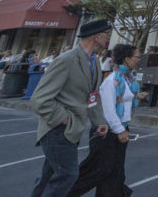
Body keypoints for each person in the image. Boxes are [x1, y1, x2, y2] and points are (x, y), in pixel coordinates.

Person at [30, 19, 110, 197]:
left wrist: (99, 121)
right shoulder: (66, 60)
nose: (108, 38)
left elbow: (92, 95)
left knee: (49, 177)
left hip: (71, 130)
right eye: (106, 35)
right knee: (67, 175)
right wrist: (64, 118)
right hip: (56, 129)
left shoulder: (95, 61)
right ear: (96, 37)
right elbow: (39, 99)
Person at [67, 43, 149, 196]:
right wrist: (119, 130)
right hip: (107, 130)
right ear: (127, 59)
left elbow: (123, 98)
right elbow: (109, 109)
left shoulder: (127, 79)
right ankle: (61, 192)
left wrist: (136, 96)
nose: (139, 59)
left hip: (121, 128)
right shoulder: (112, 80)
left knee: (115, 172)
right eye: (137, 56)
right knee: (98, 170)